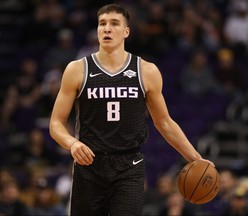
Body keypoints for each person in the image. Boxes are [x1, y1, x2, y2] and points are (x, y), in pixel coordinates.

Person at [49, 4, 214, 216]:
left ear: (126, 31)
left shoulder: (146, 70)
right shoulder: (77, 69)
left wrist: (195, 158)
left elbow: (163, 122)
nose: (107, 29)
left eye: (114, 24)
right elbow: (55, 123)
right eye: (102, 24)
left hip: (129, 166)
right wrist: (72, 143)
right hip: (89, 164)